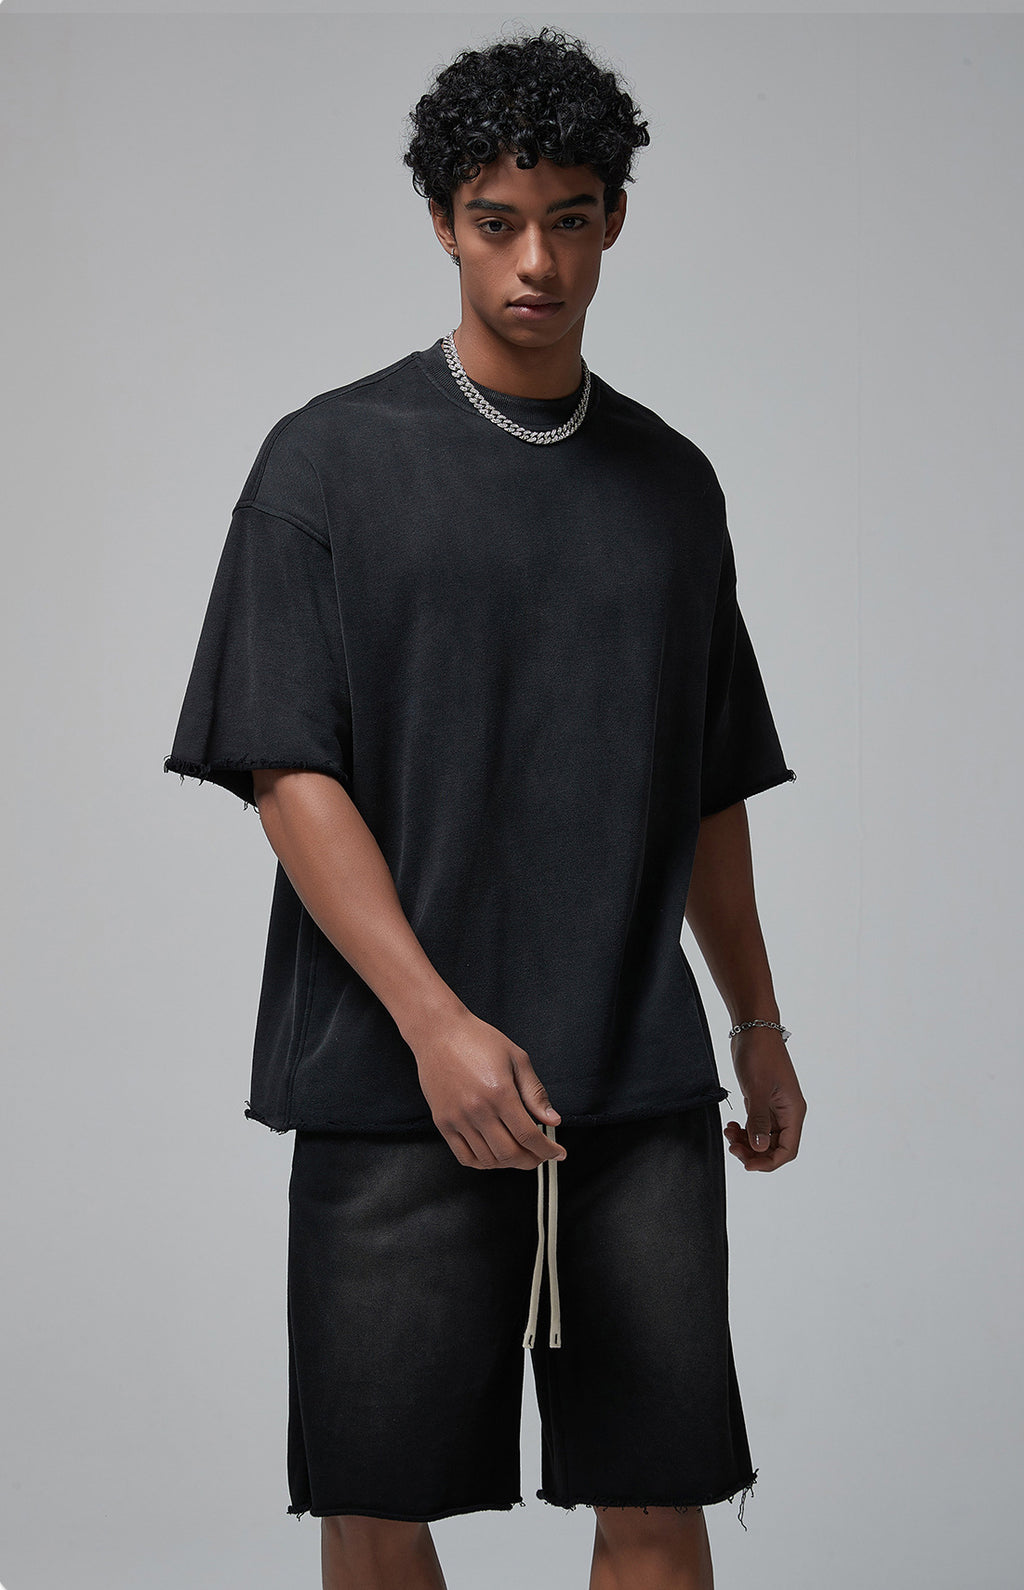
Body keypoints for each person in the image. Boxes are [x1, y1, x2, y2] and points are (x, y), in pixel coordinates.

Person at [163, 25, 807, 1590]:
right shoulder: (325, 464)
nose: (536, 261)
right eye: (498, 222)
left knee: (658, 1495)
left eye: (570, 219)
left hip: (633, 1082)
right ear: (443, 222)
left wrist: (758, 1022)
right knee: (380, 1503)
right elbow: (288, 772)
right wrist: (436, 1023)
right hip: (392, 1073)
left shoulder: (672, 486)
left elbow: (705, 783)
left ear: (614, 221)